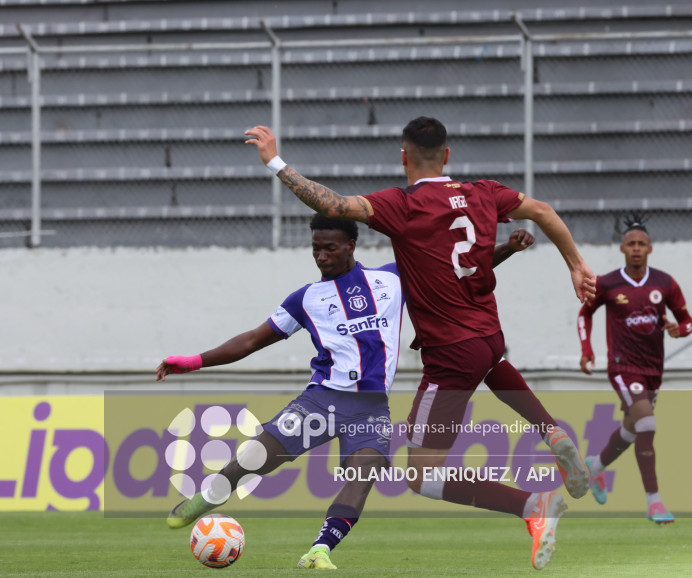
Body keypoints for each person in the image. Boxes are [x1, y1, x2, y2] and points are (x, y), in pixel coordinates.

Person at [245, 117, 596, 570]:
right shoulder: (483, 192)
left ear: (404, 156)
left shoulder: (403, 205)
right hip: (490, 340)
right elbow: (544, 211)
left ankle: (533, 507)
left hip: (450, 356)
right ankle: (550, 430)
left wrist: (274, 160)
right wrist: (576, 265)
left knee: (418, 474)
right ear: (447, 155)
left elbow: (329, 203)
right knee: (476, 375)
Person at [160, 214, 535, 570]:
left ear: (351, 245)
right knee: (256, 459)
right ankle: (207, 499)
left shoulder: (392, 279)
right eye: (316, 249)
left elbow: (454, 272)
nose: (321, 256)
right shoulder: (305, 299)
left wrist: (507, 249)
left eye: (330, 248)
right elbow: (251, 341)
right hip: (321, 400)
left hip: (371, 409)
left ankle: (319, 550)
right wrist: (194, 361)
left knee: (363, 475)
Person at [578, 213, 692, 524]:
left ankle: (596, 467)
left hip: (653, 369)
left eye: (642, 243)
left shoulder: (665, 283)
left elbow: (688, 321)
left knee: (631, 430)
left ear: (650, 249)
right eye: (631, 244)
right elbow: (584, 314)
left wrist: (678, 330)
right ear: (622, 249)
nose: (637, 248)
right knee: (647, 425)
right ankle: (654, 502)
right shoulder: (607, 283)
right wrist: (587, 350)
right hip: (621, 367)